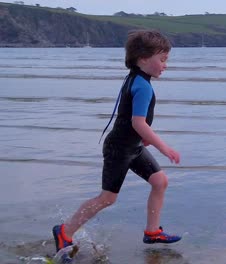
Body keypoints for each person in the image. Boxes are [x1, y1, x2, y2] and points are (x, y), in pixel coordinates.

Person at [52, 30, 182, 253]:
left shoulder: (137, 79)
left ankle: (152, 232)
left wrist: (142, 139)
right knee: (107, 198)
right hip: (120, 149)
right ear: (143, 59)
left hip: (132, 146)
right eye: (162, 60)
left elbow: (130, 119)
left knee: (160, 182)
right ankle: (65, 231)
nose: (165, 65)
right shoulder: (142, 85)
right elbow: (138, 122)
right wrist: (164, 147)